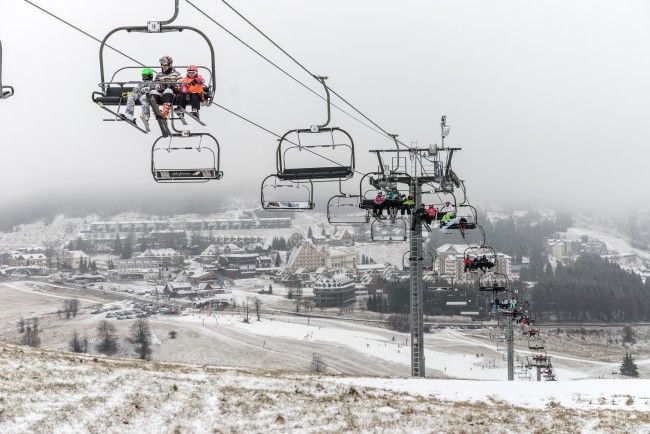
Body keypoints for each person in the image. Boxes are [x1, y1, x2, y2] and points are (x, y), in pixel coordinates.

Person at [150, 55, 181, 119]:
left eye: (165, 65)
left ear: (169, 65)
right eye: (162, 65)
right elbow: (153, 85)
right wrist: (161, 85)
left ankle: (165, 113)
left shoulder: (176, 74)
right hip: (161, 94)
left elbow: (180, 86)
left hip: (171, 95)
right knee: (153, 92)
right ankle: (156, 112)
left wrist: (173, 84)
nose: (163, 67)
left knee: (168, 90)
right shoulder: (159, 75)